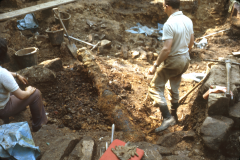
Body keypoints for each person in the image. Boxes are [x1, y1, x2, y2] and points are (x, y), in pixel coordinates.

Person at [148, 0, 194, 132]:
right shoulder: (188, 20)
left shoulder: (169, 24)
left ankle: (167, 117)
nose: (163, 9)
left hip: (174, 60)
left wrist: (155, 65)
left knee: (155, 87)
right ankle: (174, 116)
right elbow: (191, 43)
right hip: (185, 60)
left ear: (167, 7)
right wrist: (183, 53)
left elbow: (166, 49)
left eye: (163, 6)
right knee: (173, 86)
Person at [0, 38, 47, 132]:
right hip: (3, 109)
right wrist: (29, 91)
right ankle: (38, 125)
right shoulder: (3, 74)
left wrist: (16, 74)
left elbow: (4, 74)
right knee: (36, 94)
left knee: (13, 90)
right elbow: (22, 96)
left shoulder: (3, 73)